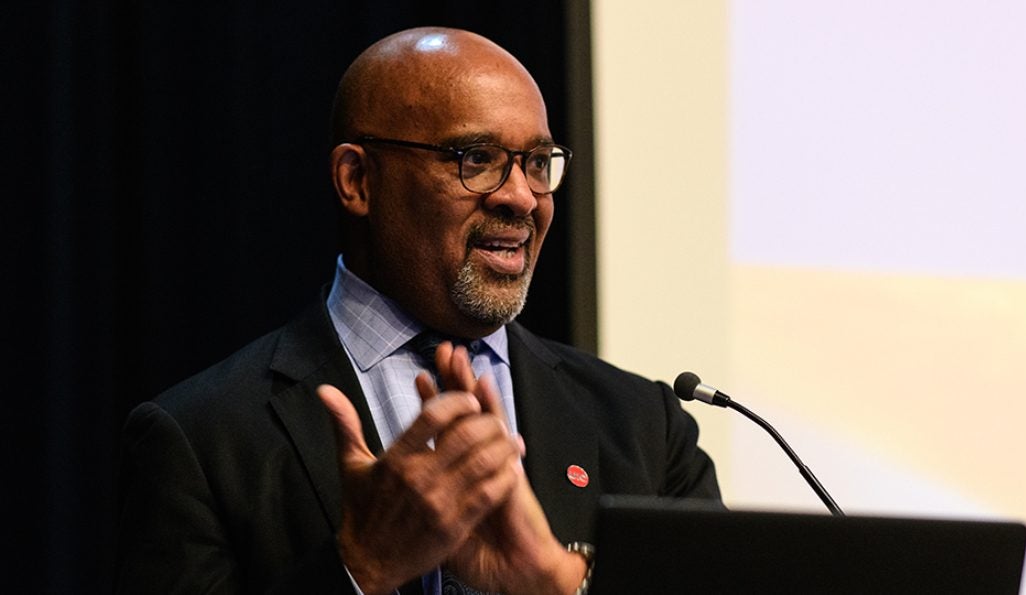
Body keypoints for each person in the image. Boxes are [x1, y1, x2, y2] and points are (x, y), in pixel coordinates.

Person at [116, 27, 720, 594]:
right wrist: (361, 566)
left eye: (537, 164)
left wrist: (558, 581)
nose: (520, 197)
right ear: (357, 180)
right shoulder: (199, 440)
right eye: (475, 158)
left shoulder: (647, 428)